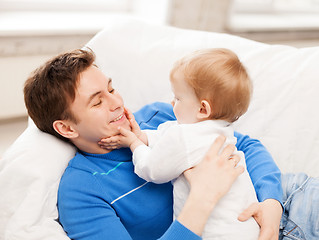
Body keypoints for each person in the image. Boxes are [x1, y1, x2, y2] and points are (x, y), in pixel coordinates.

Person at [23, 48, 283, 240]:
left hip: (281, 206)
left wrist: (272, 203)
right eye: (97, 101)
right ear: (66, 128)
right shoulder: (82, 190)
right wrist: (203, 197)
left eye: (111, 90)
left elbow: (246, 144)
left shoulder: (162, 115)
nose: (117, 103)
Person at [99, 48, 259, 239]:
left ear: (202, 108)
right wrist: (143, 137)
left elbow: (152, 169)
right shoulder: (219, 132)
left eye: (178, 98)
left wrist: (134, 143)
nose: (171, 103)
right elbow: (167, 137)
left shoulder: (183, 137)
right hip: (248, 228)